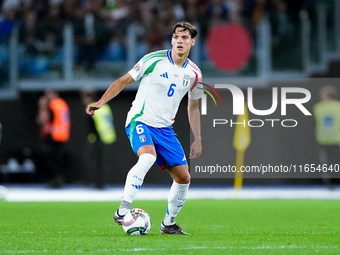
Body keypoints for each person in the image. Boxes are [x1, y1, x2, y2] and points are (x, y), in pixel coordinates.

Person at [86, 21, 203, 235]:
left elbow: (193, 107)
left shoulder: (195, 74)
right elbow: (123, 81)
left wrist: (198, 138)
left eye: (185, 38)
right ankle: (123, 210)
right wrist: (101, 101)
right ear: (171, 40)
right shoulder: (153, 60)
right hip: (140, 120)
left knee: (184, 177)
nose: (180, 40)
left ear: (192, 42)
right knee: (147, 157)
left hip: (165, 129)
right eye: (176, 36)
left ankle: (168, 224)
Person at [80, 87, 117, 189]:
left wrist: (91, 138)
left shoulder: (90, 107)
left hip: (98, 137)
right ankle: (101, 183)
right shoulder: (104, 106)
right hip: (107, 136)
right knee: (102, 162)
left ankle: (96, 183)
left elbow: (91, 125)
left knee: (94, 161)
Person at [37, 89, 71, 188]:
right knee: (57, 159)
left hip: (54, 134)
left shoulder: (53, 104)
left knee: (52, 159)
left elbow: (43, 118)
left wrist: (42, 106)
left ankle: (55, 180)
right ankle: (59, 179)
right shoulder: (62, 103)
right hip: (62, 134)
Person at [313, 85, 340, 189]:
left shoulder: (318, 107)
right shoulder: (338, 106)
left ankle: (330, 183)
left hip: (324, 138)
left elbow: (315, 123)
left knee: (327, 162)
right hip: (336, 138)